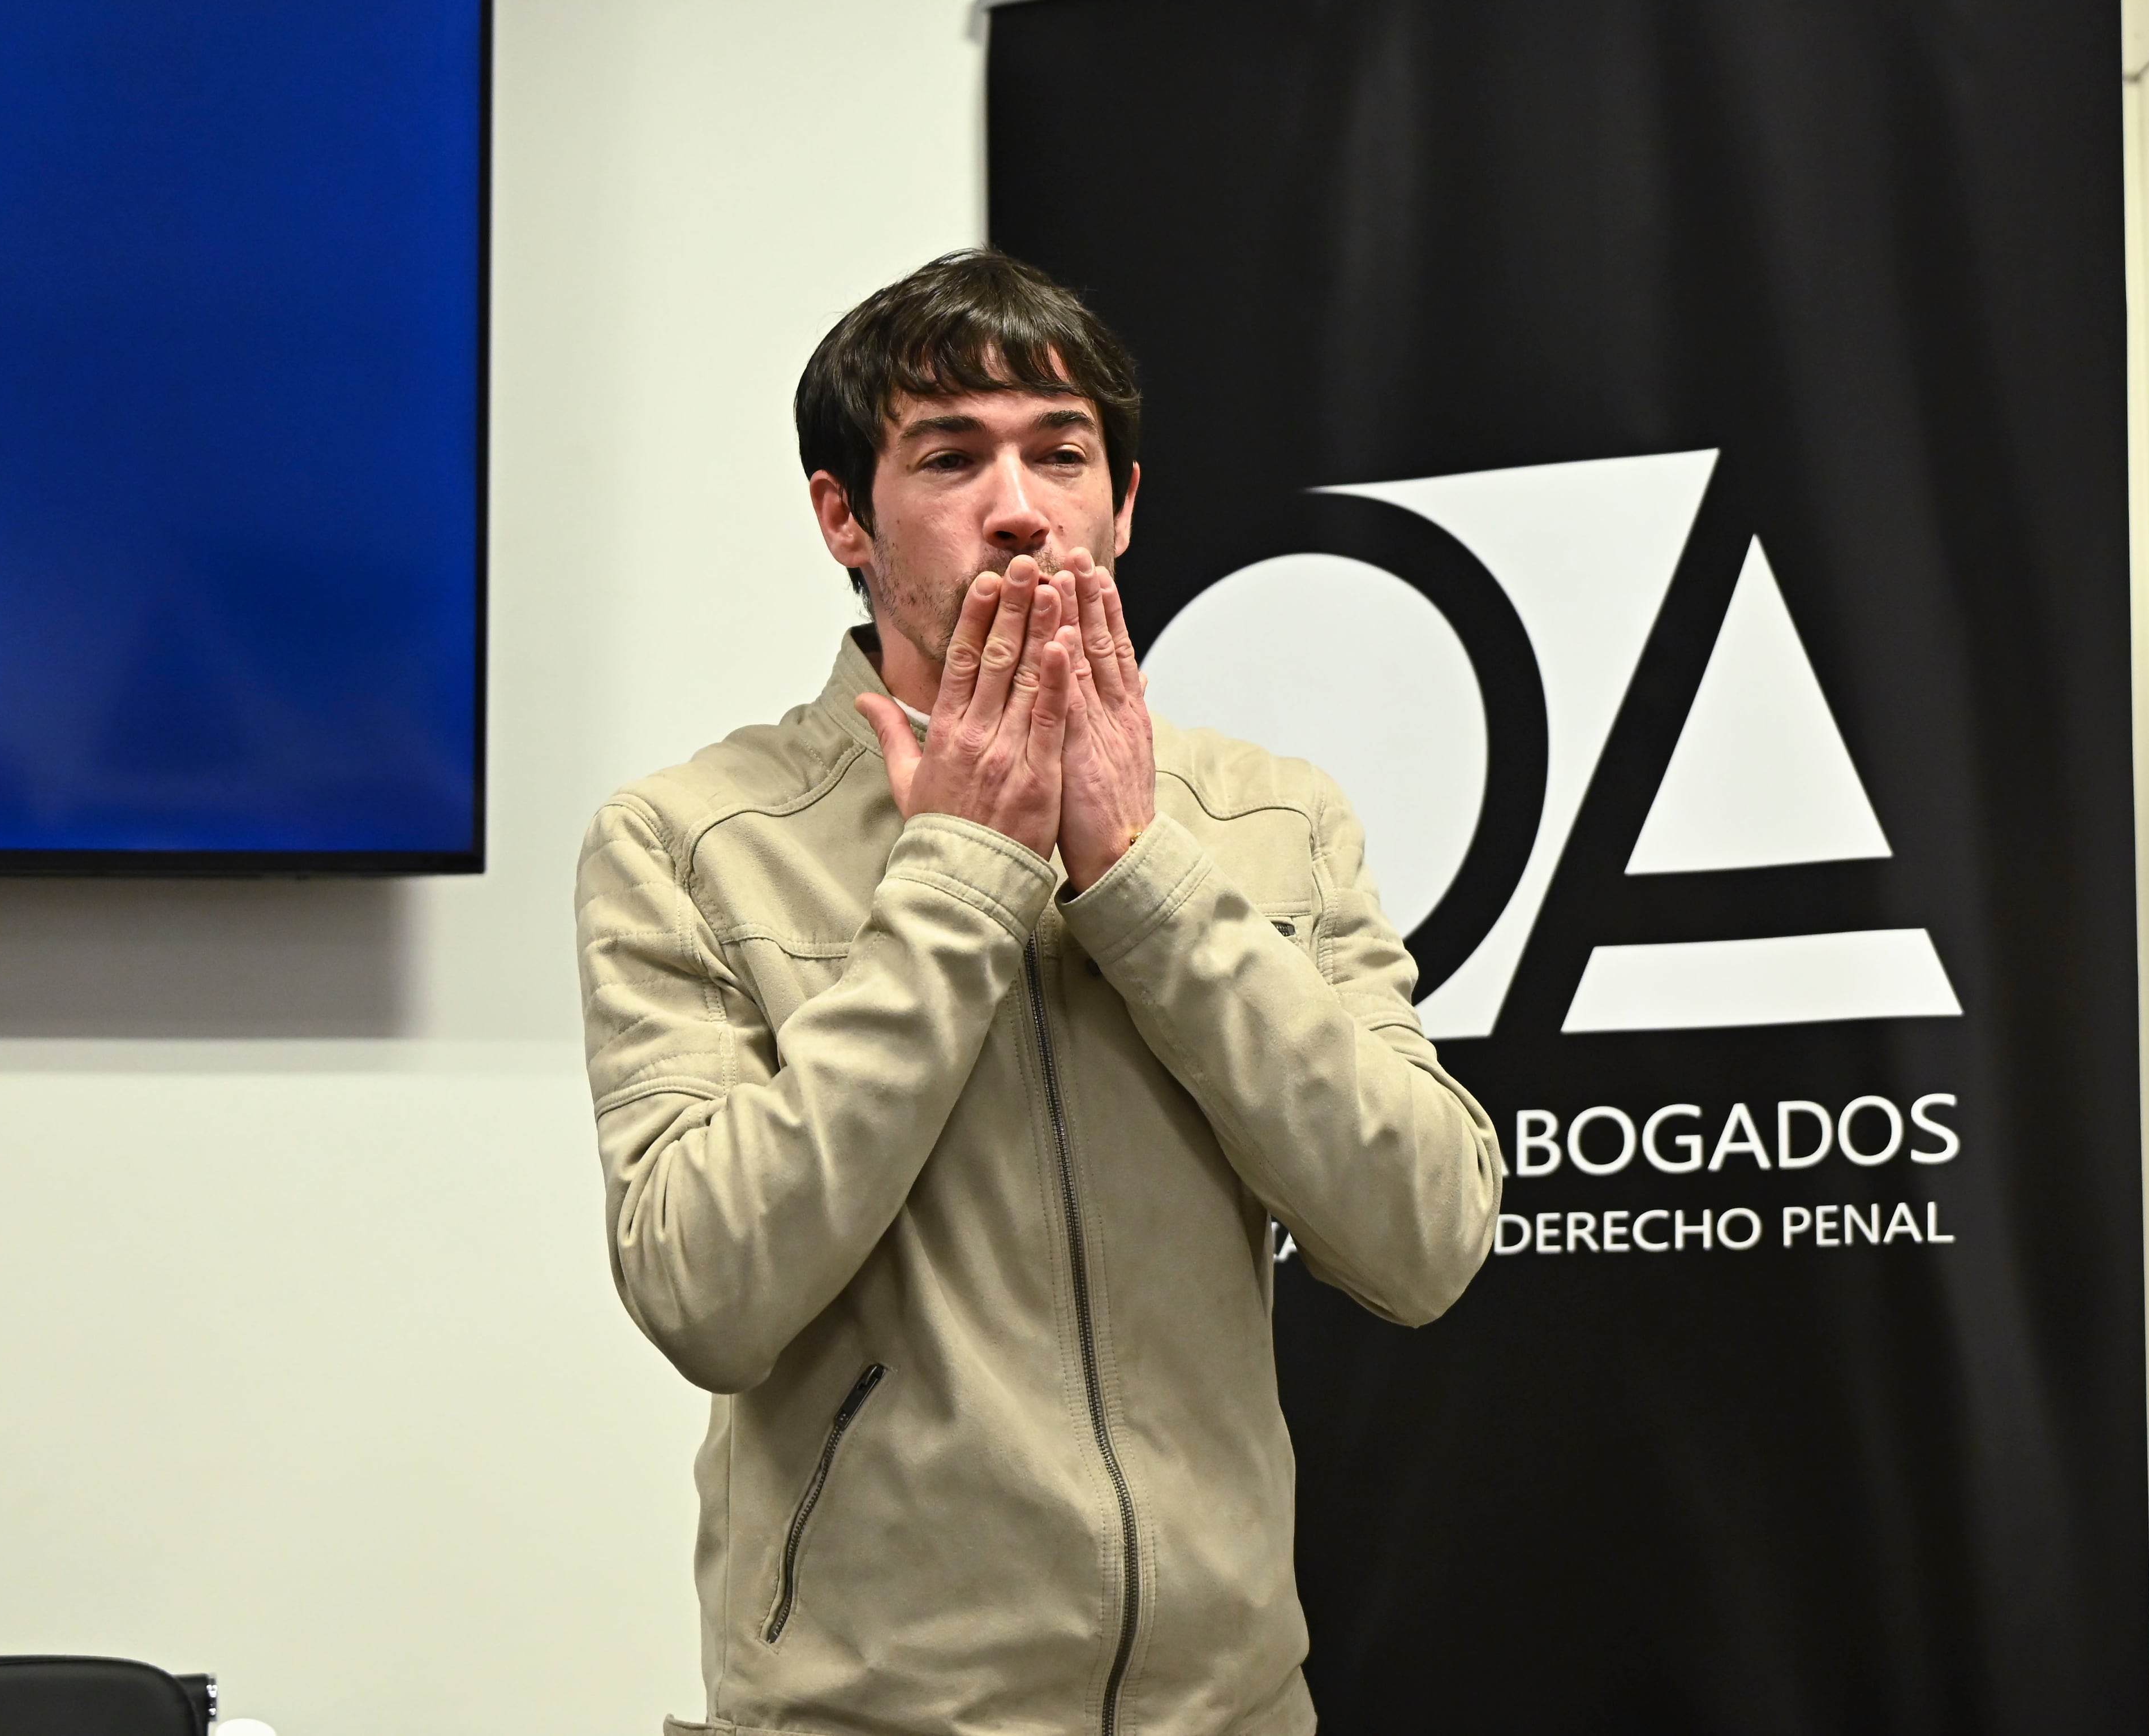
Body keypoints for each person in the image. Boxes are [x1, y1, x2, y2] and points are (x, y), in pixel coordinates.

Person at [573, 248, 1501, 1736]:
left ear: (1122, 505)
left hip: (1234, 1709)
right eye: (948, 457)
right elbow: (704, 1294)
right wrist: (955, 878)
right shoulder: (688, 837)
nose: (1018, 505)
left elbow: (1428, 1234)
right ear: (843, 518)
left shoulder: (1270, 816)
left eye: (1061, 454)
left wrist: (1136, 874)